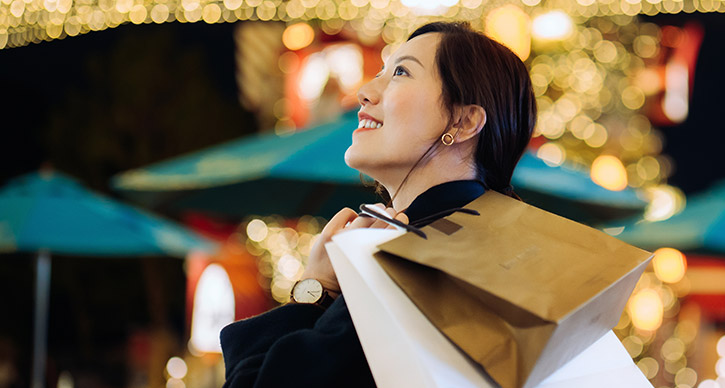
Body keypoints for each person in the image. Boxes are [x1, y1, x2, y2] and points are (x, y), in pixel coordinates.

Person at [219, 21, 534, 387]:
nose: (365, 92)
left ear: (464, 121)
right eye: (382, 70)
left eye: (401, 72)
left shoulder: (411, 264)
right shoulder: (501, 253)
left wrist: (316, 287)